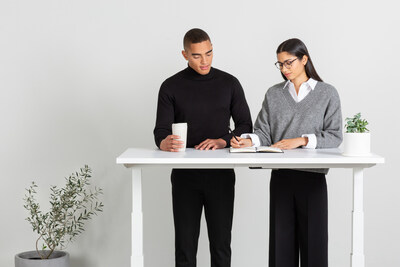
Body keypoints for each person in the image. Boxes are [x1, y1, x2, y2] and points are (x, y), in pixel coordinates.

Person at [231, 38, 342, 267]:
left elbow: (334, 136)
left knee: (315, 250)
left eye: (289, 63)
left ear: (304, 59)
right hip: (281, 177)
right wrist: (248, 140)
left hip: (313, 178)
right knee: (280, 249)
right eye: (280, 64)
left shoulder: (327, 93)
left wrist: (300, 140)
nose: (284, 69)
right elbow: (263, 132)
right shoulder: (273, 94)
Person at [154, 28, 252, 267]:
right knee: (185, 248)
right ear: (185, 54)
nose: (205, 60)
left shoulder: (229, 83)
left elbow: (246, 125)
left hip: (221, 175)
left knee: (221, 247)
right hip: (185, 176)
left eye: (209, 53)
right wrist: (164, 142)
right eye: (197, 56)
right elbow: (160, 130)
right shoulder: (170, 86)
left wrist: (223, 140)